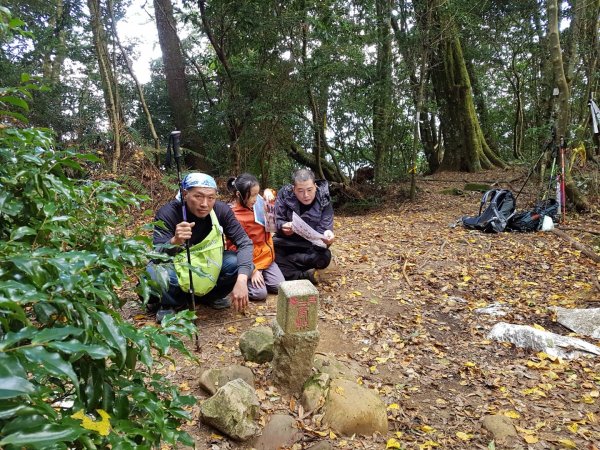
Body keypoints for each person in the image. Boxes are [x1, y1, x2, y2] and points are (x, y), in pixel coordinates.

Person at [146, 173, 253, 322]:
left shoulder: (221, 210)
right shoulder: (168, 213)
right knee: (154, 270)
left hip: (205, 263)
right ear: (185, 194)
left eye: (211, 198)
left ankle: (209, 296)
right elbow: (157, 254)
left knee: (236, 263)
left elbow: (244, 242)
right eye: (198, 196)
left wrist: (242, 280)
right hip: (178, 266)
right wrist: (174, 241)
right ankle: (170, 303)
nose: (205, 204)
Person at [226, 173, 285, 300]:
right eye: (252, 195)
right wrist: (252, 270)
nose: (255, 199)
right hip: (250, 261)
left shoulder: (258, 203)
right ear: (238, 195)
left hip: (267, 257)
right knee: (260, 294)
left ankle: (261, 277)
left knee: (280, 287)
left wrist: (270, 192)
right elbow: (233, 248)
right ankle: (238, 284)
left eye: (257, 194)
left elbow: (271, 208)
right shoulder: (233, 216)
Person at [273, 168, 335, 282]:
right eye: (300, 191)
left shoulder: (324, 198)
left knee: (324, 257)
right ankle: (303, 275)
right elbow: (277, 220)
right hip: (287, 243)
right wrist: (283, 226)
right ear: (293, 189)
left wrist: (328, 236)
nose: (306, 195)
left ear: (315, 187)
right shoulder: (284, 194)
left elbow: (325, 228)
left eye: (310, 190)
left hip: (310, 246)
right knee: (271, 253)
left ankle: (290, 264)